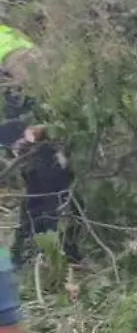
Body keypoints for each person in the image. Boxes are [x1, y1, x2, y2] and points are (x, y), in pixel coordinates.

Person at [0, 25, 82, 266]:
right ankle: (38, 248)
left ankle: (44, 249)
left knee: (43, 165)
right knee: (43, 168)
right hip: (31, 75)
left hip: (19, 78)